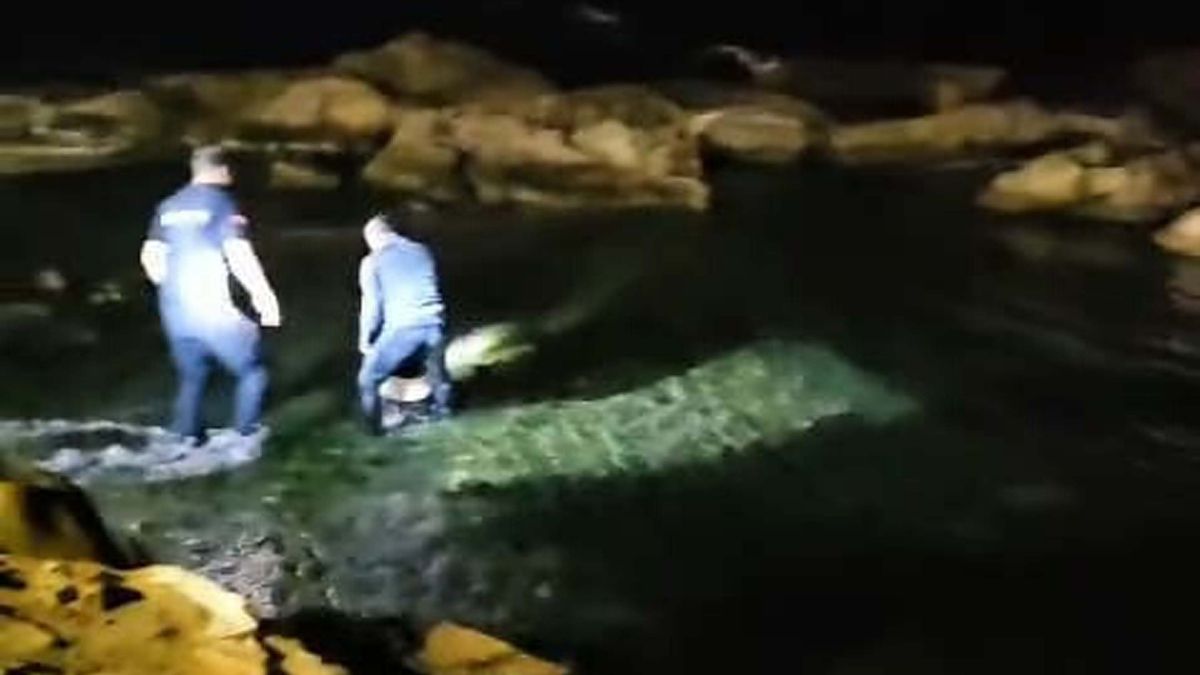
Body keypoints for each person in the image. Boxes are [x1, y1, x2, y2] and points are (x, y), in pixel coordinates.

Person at [139, 146, 281, 443]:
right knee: (253, 370)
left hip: (175, 311)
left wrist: (172, 289)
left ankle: (185, 437)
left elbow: (150, 258)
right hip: (212, 308)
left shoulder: (167, 206)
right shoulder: (221, 203)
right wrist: (264, 298)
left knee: (193, 375)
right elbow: (239, 253)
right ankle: (243, 439)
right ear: (222, 171)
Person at [356, 211, 452, 432]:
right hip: (434, 322)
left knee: (368, 378)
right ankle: (444, 413)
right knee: (436, 371)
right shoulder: (421, 250)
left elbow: (372, 306)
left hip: (404, 328)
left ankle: (373, 430)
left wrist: (365, 339)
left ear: (375, 236)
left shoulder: (372, 262)